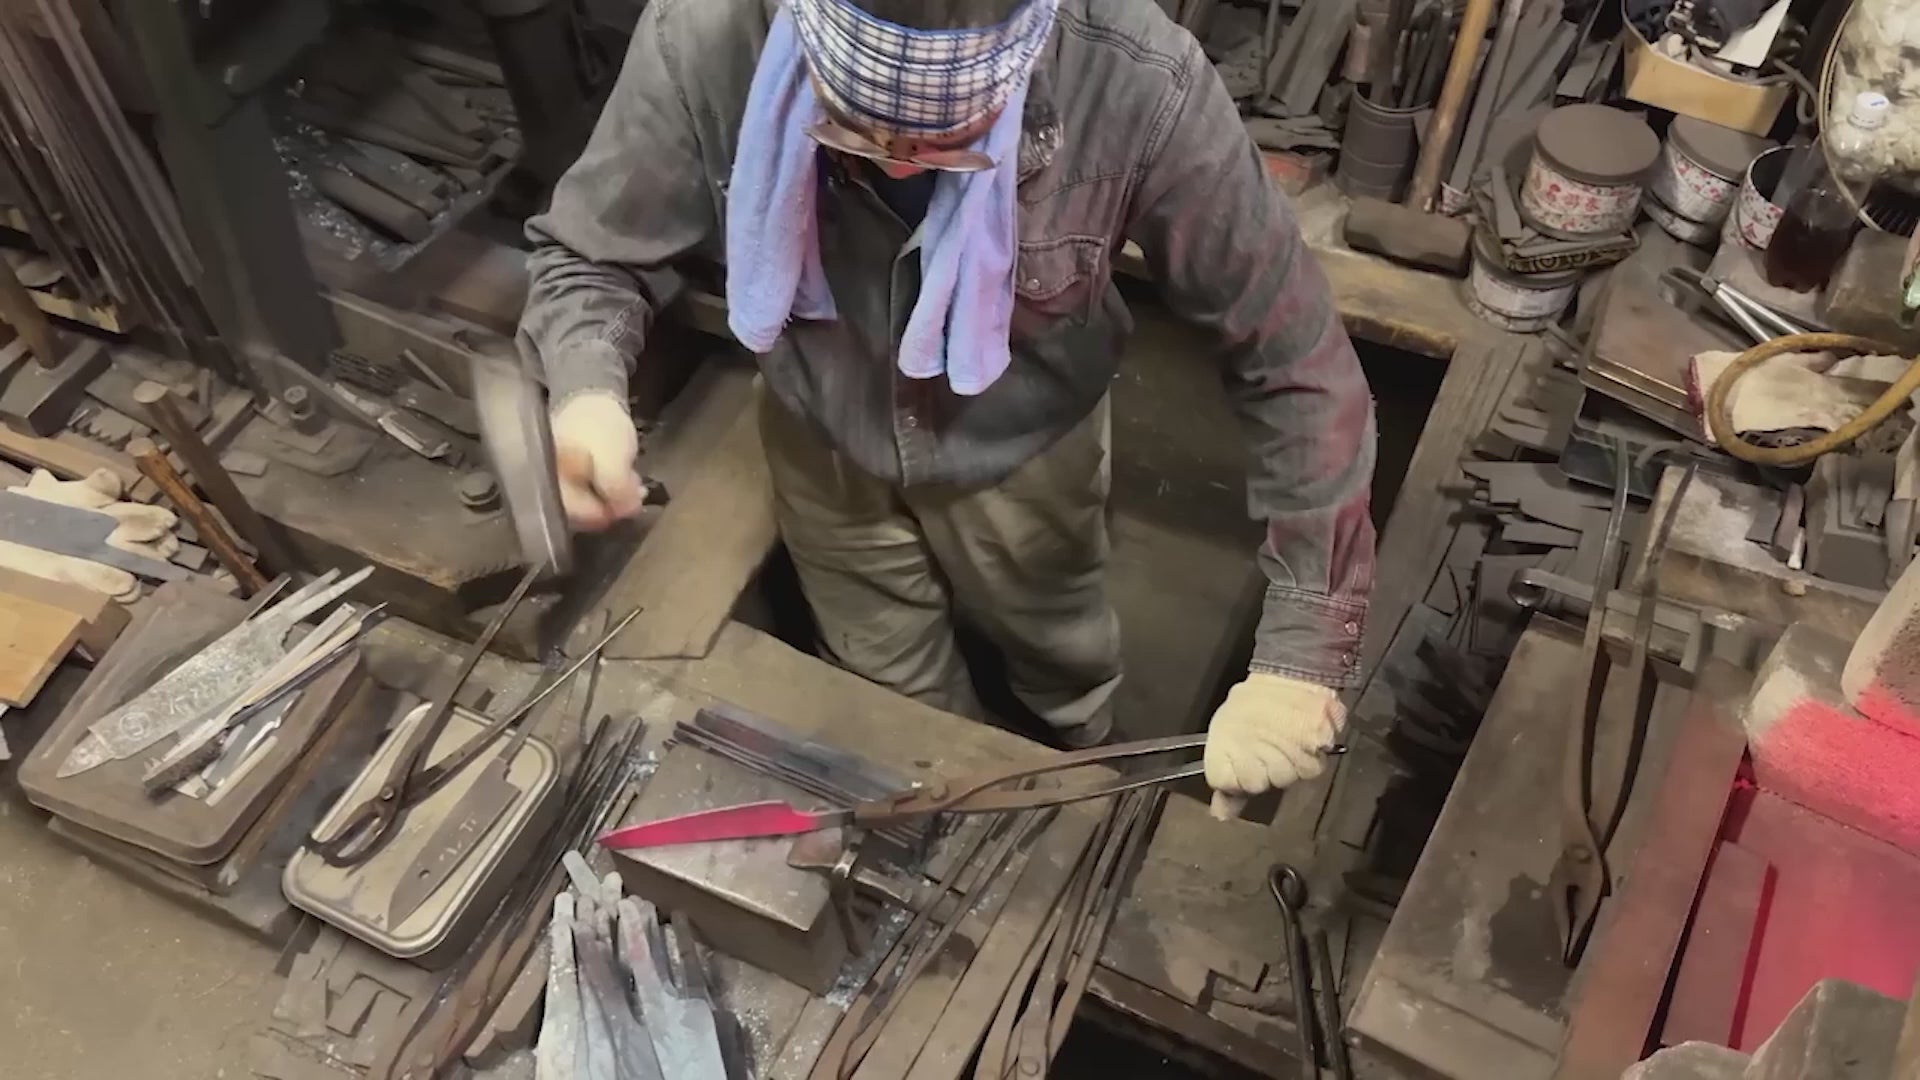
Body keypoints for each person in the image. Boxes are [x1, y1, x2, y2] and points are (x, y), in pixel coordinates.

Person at [518, 0, 1377, 820]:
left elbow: (1294, 356)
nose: (898, 164)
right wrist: (590, 394)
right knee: (886, 684)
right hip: (822, 435)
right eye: (853, 127)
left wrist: (1301, 659)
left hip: (1026, 451)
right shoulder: (707, 35)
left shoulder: (1133, 79)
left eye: (949, 141)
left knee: (1057, 660)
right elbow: (591, 253)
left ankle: (1065, 761)